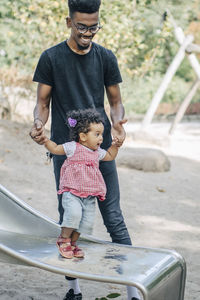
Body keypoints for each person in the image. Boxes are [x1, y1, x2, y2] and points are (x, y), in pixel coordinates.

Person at [30, 0, 141, 299]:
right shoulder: (51, 57)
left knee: (114, 217)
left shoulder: (105, 57)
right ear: (69, 22)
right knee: (69, 216)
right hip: (66, 152)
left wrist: (118, 123)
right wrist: (39, 124)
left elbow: (116, 102)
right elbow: (42, 103)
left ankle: (132, 291)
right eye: (82, 27)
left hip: (98, 148)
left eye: (94, 27)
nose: (88, 33)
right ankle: (73, 289)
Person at [43, 108, 121, 259]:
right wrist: (45, 140)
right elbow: (55, 148)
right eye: (97, 134)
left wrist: (116, 145)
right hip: (72, 192)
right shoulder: (73, 147)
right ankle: (63, 239)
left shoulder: (97, 153)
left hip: (90, 195)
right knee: (74, 214)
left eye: (101, 135)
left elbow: (110, 155)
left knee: (86, 223)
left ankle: (72, 243)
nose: (101, 139)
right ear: (83, 136)